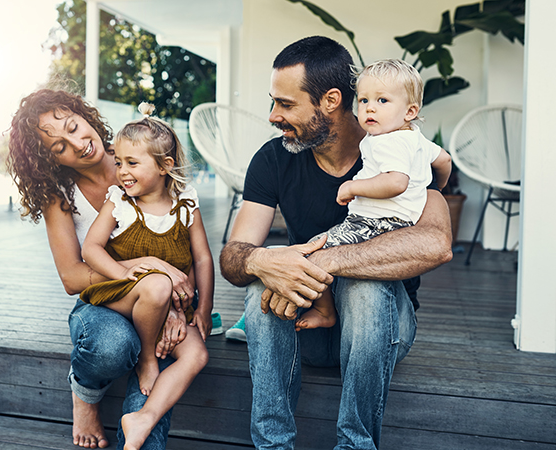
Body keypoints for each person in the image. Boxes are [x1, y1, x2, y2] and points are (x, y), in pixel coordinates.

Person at [218, 36, 452, 449]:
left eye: (286, 104)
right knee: (263, 279)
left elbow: (435, 244)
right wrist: (262, 263)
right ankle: (273, 445)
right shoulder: (274, 159)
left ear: (329, 100)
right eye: (273, 102)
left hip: (381, 331)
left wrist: (328, 260)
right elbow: (234, 256)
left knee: (363, 285)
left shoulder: (399, 148)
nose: (273, 116)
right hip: (304, 325)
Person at [8, 89, 196, 449]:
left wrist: (176, 307)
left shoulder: (141, 154)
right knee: (112, 345)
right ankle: (85, 390)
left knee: (161, 348)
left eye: (74, 127)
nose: (77, 144)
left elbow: (186, 245)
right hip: (101, 302)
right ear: (50, 160)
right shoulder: (60, 195)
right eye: (59, 146)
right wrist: (145, 269)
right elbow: (72, 278)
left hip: (161, 296)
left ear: (86, 117)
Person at [80, 103, 214, 449]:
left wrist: (201, 309)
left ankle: (144, 417)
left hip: (169, 302)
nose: (122, 171)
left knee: (196, 355)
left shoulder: (185, 203)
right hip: (121, 297)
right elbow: (91, 250)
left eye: (132, 163)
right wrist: (127, 277)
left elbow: (202, 258)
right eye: (119, 161)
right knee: (156, 284)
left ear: (165, 166)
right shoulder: (119, 203)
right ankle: (147, 359)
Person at [294, 59, 452, 331]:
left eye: (382, 100)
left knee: (312, 251)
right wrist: (437, 186)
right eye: (364, 100)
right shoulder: (415, 138)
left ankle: (325, 311)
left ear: (410, 110)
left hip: (375, 223)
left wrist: (352, 187)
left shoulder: (389, 142)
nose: (370, 107)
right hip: (399, 226)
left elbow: (396, 183)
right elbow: (445, 161)